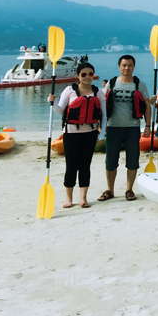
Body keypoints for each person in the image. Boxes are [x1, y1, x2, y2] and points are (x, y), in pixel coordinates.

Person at [48, 62, 106, 208]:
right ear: (78, 76)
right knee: (71, 166)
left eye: (90, 74)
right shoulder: (69, 90)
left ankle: (83, 198)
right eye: (83, 74)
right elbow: (59, 110)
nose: (87, 77)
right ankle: (68, 199)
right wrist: (53, 102)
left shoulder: (98, 92)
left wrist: (101, 135)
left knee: (85, 166)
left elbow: (104, 116)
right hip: (71, 134)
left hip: (90, 133)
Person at [100, 55, 151, 202]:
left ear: (134, 67)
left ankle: (129, 189)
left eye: (130, 65)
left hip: (132, 128)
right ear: (119, 66)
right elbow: (101, 104)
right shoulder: (111, 83)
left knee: (133, 160)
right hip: (113, 127)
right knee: (111, 161)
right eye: (124, 65)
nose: (126, 68)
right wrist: (100, 126)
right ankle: (110, 190)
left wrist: (148, 125)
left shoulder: (139, 84)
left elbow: (147, 105)